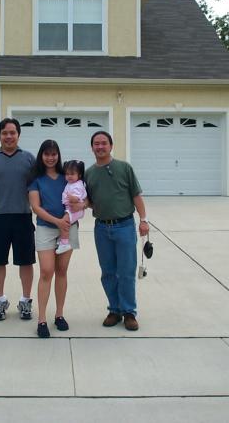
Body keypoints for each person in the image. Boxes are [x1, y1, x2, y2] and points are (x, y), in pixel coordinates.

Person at [79, 131, 149, 331]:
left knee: (126, 272)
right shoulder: (89, 174)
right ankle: (115, 310)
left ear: (111, 145)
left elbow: (136, 196)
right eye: (96, 144)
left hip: (124, 226)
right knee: (108, 272)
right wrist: (80, 204)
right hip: (102, 228)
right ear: (92, 147)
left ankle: (129, 312)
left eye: (104, 143)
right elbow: (90, 200)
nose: (100, 147)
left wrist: (143, 220)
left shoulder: (124, 168)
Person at [0, 118, 36, 321]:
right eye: (4, 133)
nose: (9, 136)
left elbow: (37, 187)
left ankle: (26, 301)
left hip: (23, 217)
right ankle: (0, 301)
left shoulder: (29, 159)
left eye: (12, 132)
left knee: (26, 262)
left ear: (18, 135)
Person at [28, 140, 79, 338]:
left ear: (58, 155)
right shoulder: (36, 179)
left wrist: (67, 217)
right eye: (47, 154)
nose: (50, 158)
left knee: (62, 271)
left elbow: (80, 197)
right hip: (46, 229)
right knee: (46, 271)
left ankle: (59, 315)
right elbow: (36, 207)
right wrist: (57, 221)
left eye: (54, 154)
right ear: (41, 156)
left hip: (68, 227)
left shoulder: (67, 177)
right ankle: (42, 319)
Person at [56, 160, 86, 255]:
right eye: (67, 174)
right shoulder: (71, 183)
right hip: (70, 209)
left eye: (72, 174)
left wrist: (71, 198)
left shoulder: (77, 185)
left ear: (79, 175)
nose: (69, 176)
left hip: (74, 210)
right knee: (64, 223)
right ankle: (63, 240)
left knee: (64, 223)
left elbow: (77, 198)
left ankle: (64, 243)